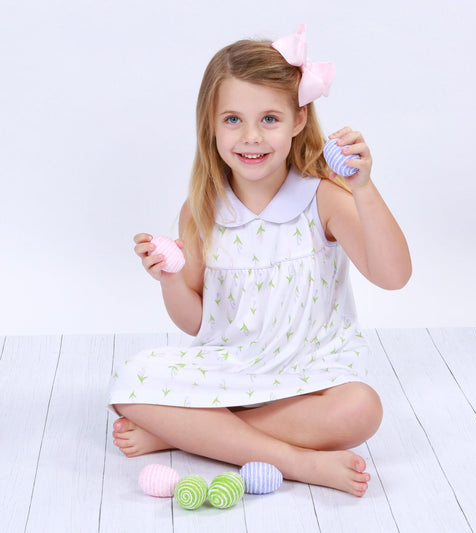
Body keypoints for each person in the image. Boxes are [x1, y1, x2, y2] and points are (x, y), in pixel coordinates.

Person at [109, 24, 411, 498]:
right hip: (231, 368)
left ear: (298, 119)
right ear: (210, 124)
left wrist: (364, 189)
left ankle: (186, 432)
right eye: (233, 119)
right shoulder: (202, 210)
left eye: (269, 118)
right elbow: (196, 323)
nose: (251, 137)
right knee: (129, 379)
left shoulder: (323, 199)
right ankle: (298, 463)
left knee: (361, 408)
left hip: (310, 373)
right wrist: (169, 280)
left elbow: (393, 277)